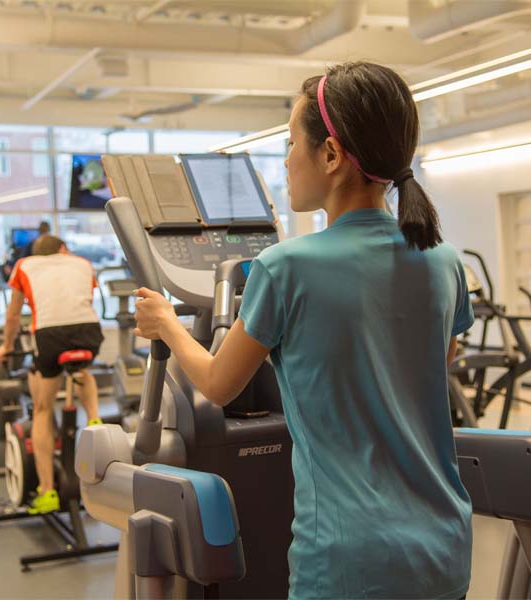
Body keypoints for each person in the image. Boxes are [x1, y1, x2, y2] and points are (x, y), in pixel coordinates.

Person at [131, 62, 475, 599]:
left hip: (347, 560)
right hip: (445, 548)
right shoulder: (443, 261)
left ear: (332, 156)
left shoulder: (284, 267)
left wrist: (168, 325)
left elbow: (221, 385)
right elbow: (435, 361)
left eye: (292, 143)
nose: (287, 160)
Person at [0, 234, 104, 514]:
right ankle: (94, 418)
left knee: (42, 409)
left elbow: (13, 316)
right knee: (82, 369)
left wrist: (5, 347)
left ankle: (47, 492)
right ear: (63, 249)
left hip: (50, 335)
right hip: (89, 331)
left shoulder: (24, 265)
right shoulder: (81, 263)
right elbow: (82, 298)